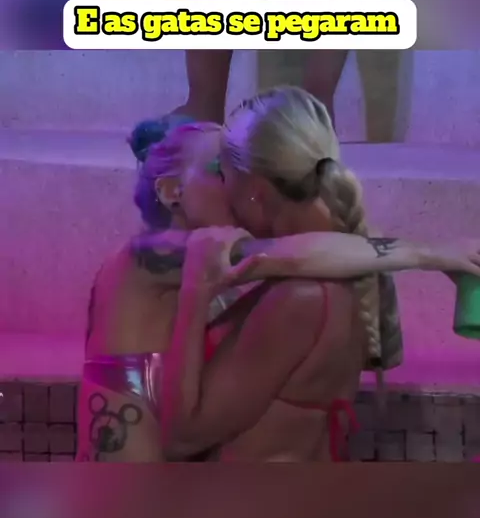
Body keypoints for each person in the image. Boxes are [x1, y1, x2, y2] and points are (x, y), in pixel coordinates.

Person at [77, 103, 480, 462]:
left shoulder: (212, 275)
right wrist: (429, 254)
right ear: (171, 191)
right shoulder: (143, 259)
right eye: (220, 170)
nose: (235, 183)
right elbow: (297, 253)